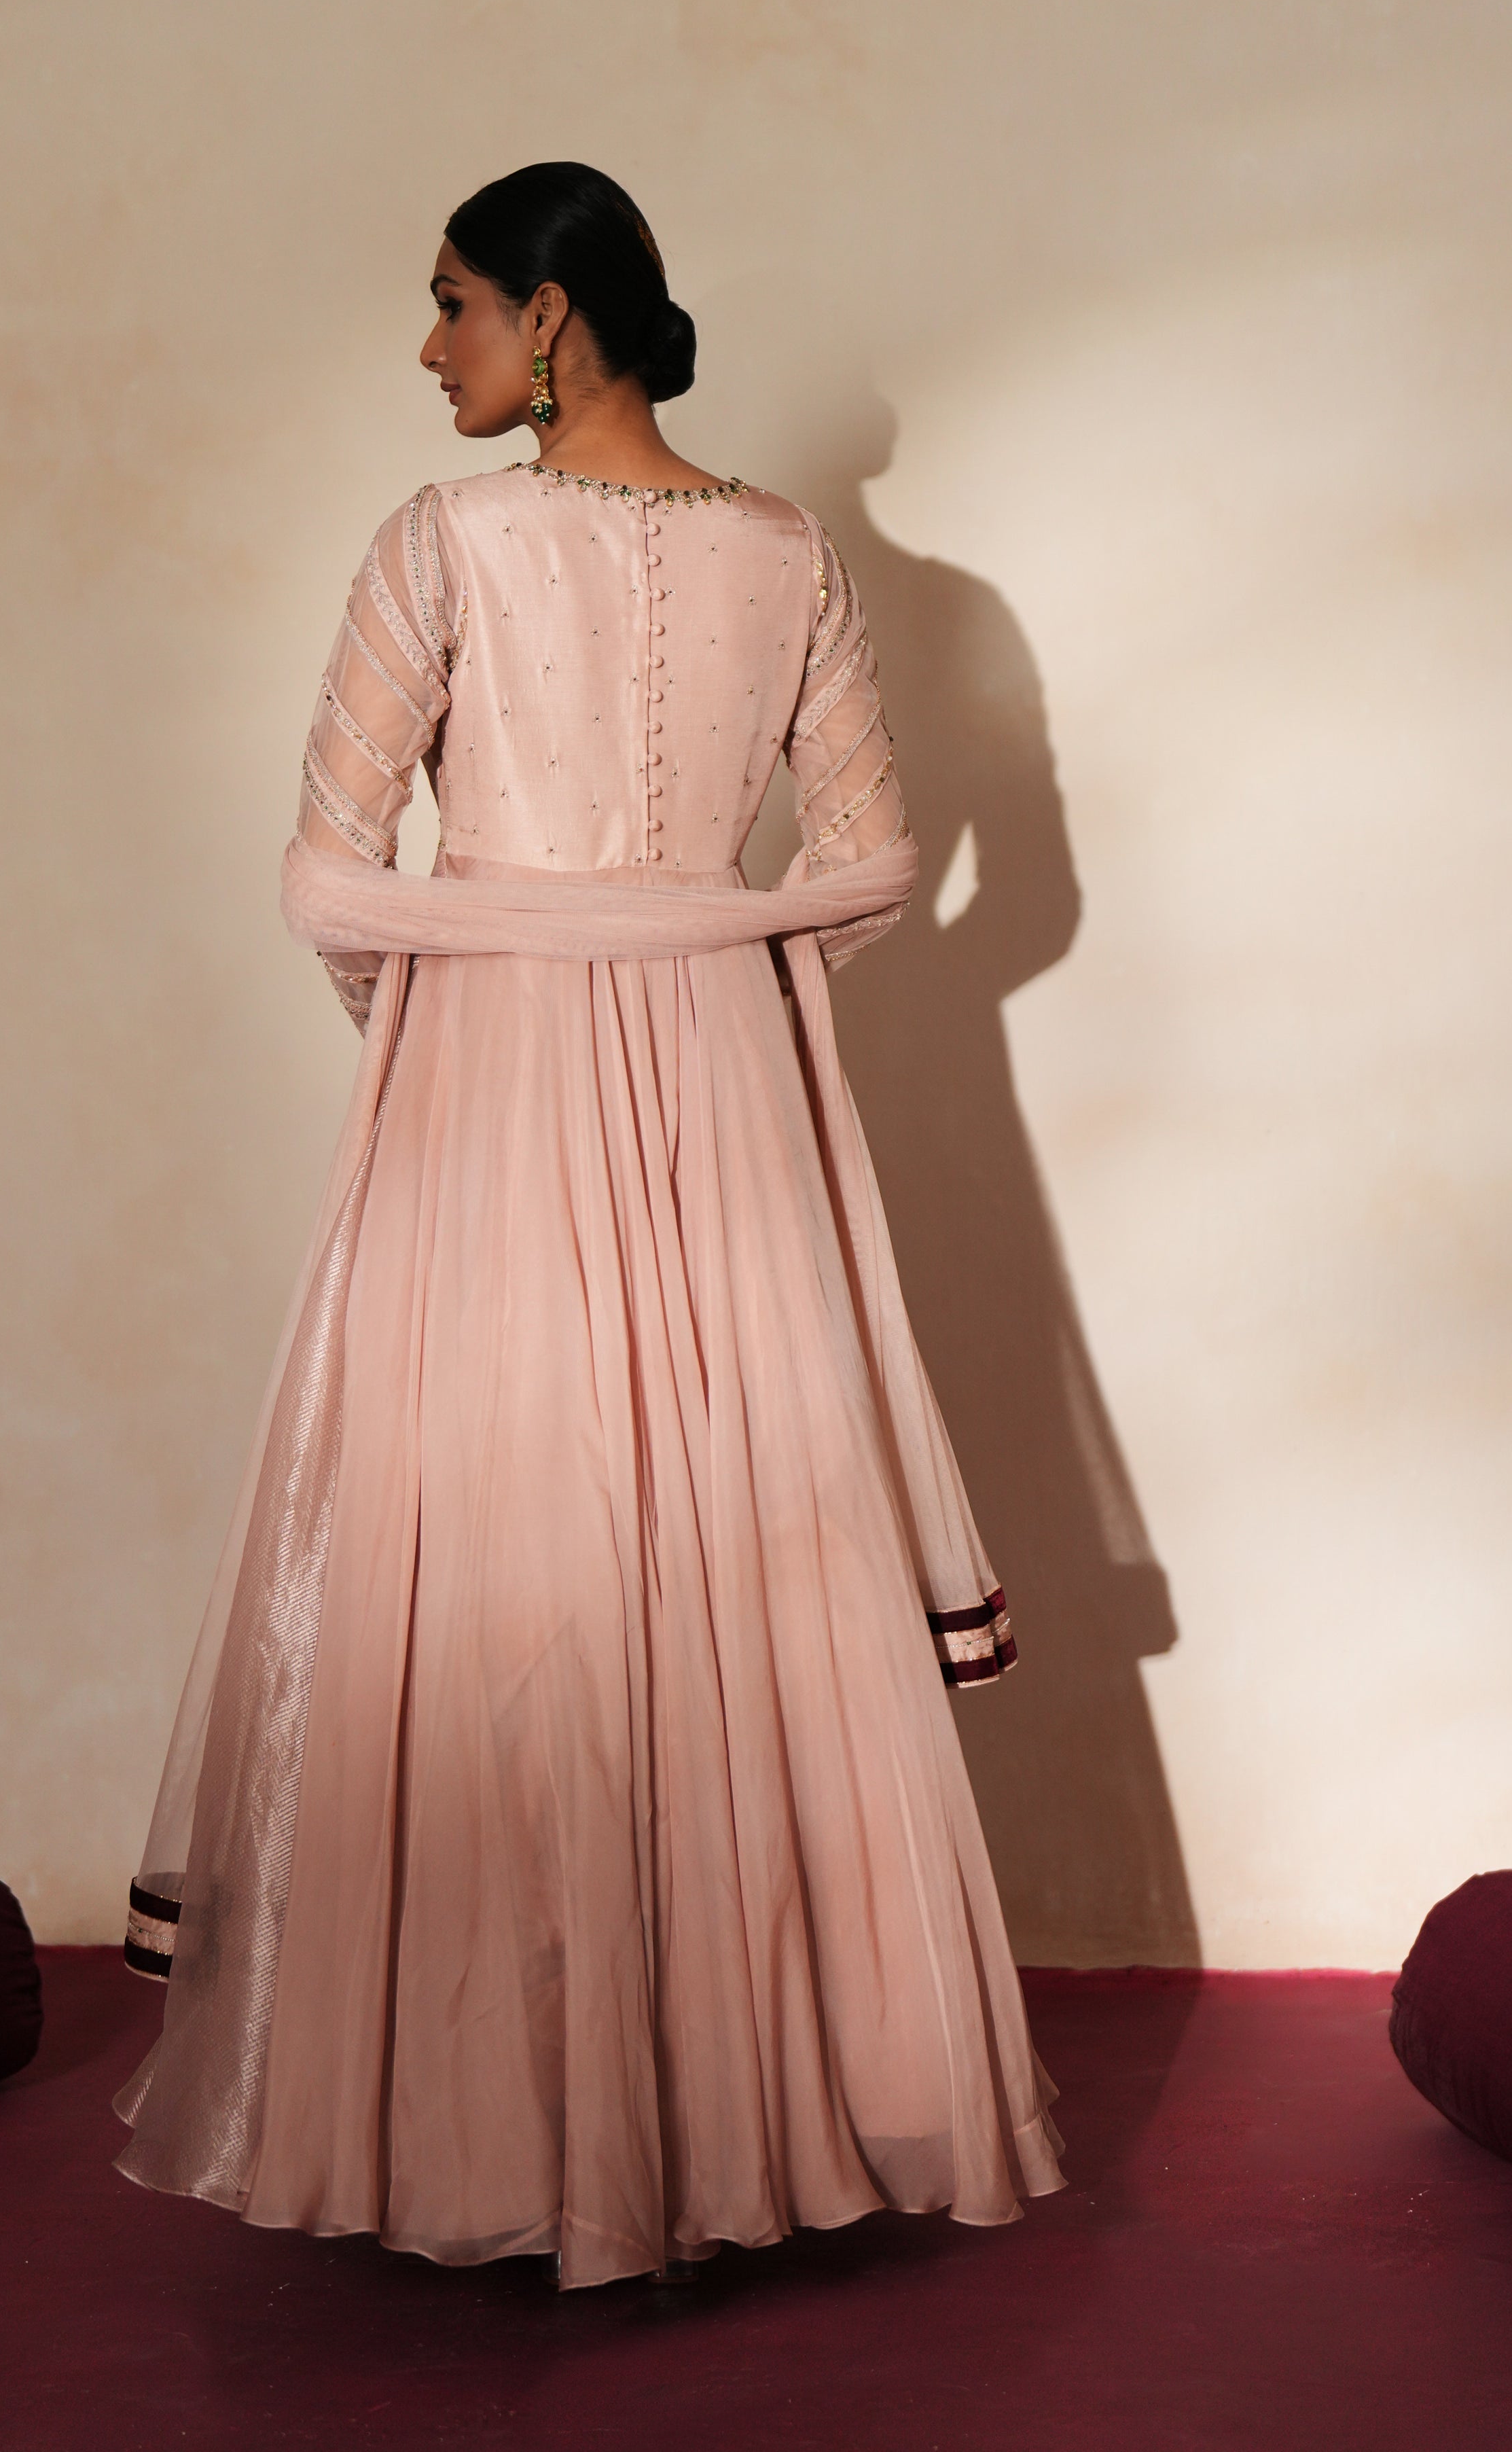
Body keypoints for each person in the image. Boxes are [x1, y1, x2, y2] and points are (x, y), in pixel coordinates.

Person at [113, 162, 1065, 2291]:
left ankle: (512, 2131)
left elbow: (331, 883)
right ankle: (749, 2122)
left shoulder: (439, 543)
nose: (428, 346)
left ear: (554, 316)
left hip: (494, 1089)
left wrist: (476, 989)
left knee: (504, 1553)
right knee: (728, 1540)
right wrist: (696, 941)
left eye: (451, 303)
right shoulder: (786, 553)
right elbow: (882, 867)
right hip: (718, 1070)